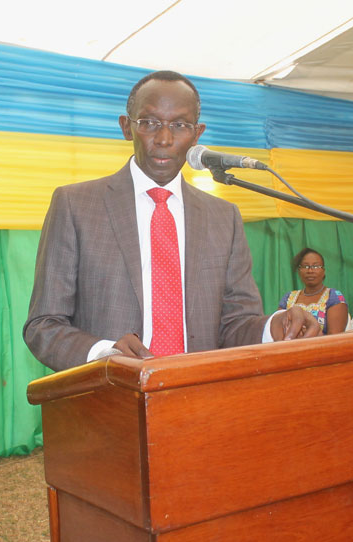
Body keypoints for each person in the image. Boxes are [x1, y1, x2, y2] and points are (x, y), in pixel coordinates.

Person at [23, 70, 319, 371]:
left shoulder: (223, 217)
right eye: (149, 123)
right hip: (108, 402)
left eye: (179, 125)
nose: (164, 139)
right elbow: (43, 325)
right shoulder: (76, 205)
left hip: (198, 400)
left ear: (197, 134)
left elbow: (236, 325)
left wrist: (276, 325)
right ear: (127, 127)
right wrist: (104, 353)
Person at [278, 248, 348, 334]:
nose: (310, 271)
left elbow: (335, 338)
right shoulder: (288, 298)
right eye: (305, 266)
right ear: (299, 271)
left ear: (323, 271)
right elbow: (278, 331)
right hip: (289, 346)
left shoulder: (334, 297)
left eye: (316, 266)